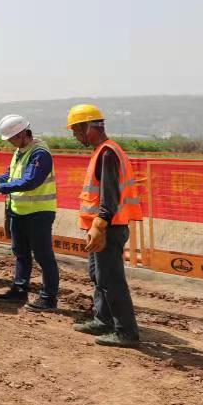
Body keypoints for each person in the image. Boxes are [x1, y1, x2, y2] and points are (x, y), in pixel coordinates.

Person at [68, 103, 142, 347]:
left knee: (111, 279)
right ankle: (104, 320)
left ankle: (126, 332)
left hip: (108, 227)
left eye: (75, 130)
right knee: (98, 275)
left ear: (87, 127)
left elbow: (109, 196)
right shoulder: (103, 150)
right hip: (102, 227)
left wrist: (100, 224)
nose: (74, 136)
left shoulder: (107, 153)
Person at [0, 114, 60, 311]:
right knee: (21, 254)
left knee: (44, 256)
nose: (10, 143)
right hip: (19, 211)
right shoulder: (21, 151)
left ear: (21, 134)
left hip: (38, 213)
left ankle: (48, 298)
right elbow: (11, 174)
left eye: (11, 139)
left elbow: (31, 181)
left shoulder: (39, 153)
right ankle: (19, 290)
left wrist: (0, 188)